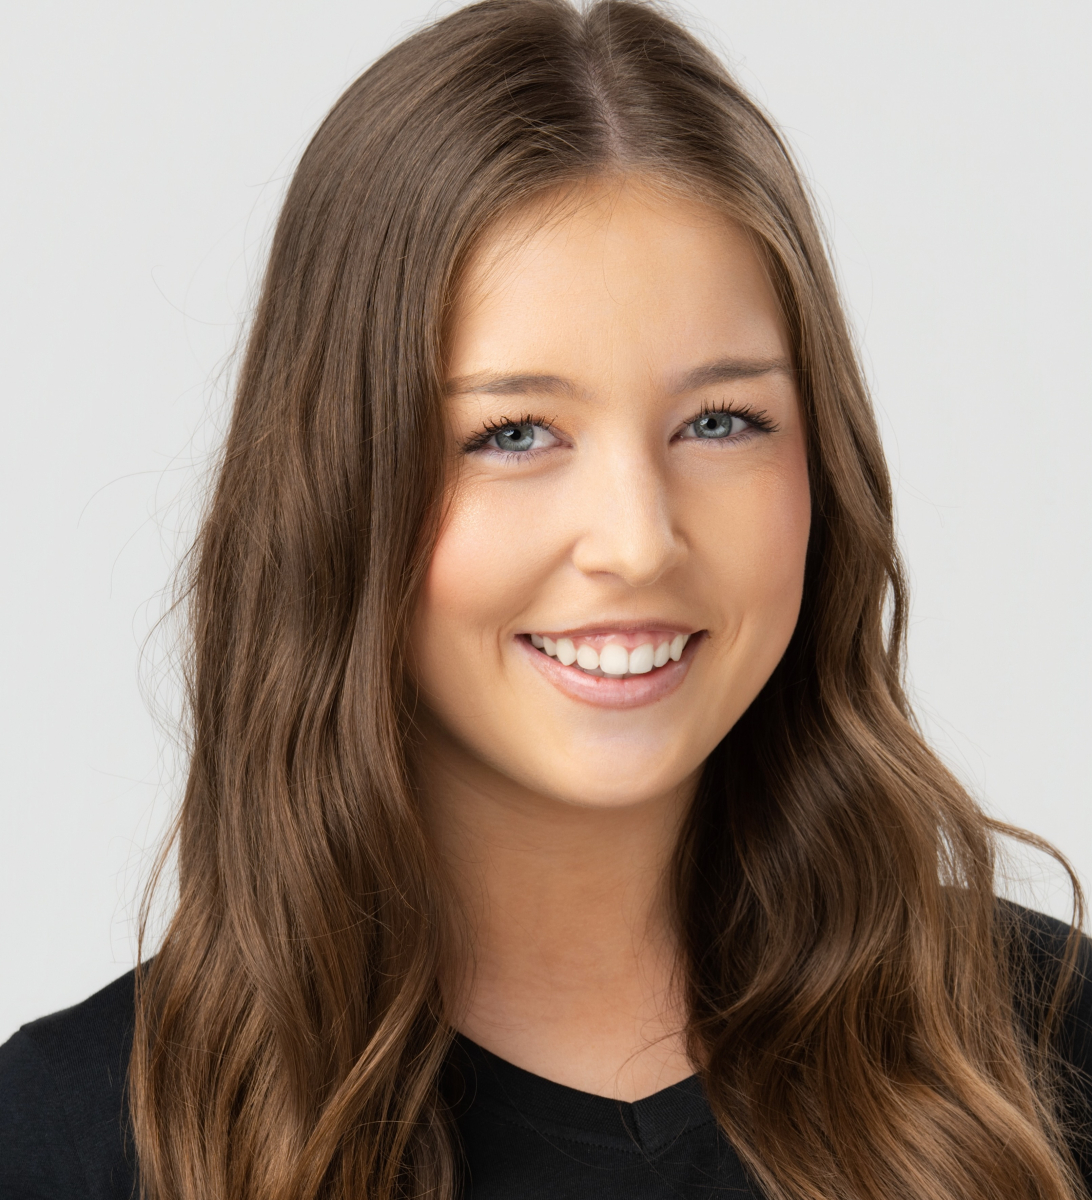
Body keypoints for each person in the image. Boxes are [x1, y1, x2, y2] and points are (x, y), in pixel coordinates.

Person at [1, 1, 1089, 1197]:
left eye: (721, 421)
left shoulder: (1041, 1051)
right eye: (514, 433)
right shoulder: (69, 1143)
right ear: (338, 490)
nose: (637, 540)